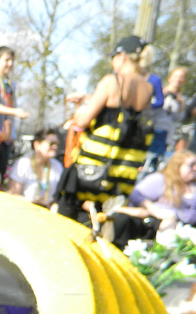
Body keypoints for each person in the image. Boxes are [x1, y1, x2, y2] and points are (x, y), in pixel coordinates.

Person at [55, 36, 154, 221]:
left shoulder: (112, 81)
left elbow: (83, 120)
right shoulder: (148, 88)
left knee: (65, 218)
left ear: (122, 56)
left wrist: (79, 111)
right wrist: (89, 97)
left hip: (92, 170)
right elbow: (123, 116)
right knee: (102, 221)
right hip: (120, 172)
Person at [117, 151, 196, 240]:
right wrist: (154, 210)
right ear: (177, 166)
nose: (195, 168)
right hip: (157, 227)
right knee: (169, 218)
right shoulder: (161, 179)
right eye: (191, 165)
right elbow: (136, 195)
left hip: (188, 231)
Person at [0, 46, 29, 177]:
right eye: (6, 60)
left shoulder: (10, 83)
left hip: (8, 134)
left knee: (2, 170)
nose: (10, 64)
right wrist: (15, 112)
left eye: (12, 60)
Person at [7, 128, 64, 207]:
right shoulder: (23, 164)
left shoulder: (57, 167)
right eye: (51, 143)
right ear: (37, 144)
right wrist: (33, 203)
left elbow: (59, 198)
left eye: (57, 144)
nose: (55, 147)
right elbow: (12, 195)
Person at [162, 67, 188, 152]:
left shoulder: (181, 99)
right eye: (175, 76)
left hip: (167, 133)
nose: (178, 79)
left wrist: (180, 105)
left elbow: (179, 118)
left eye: (181, 77)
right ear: (169, 78)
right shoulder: (160, 92)